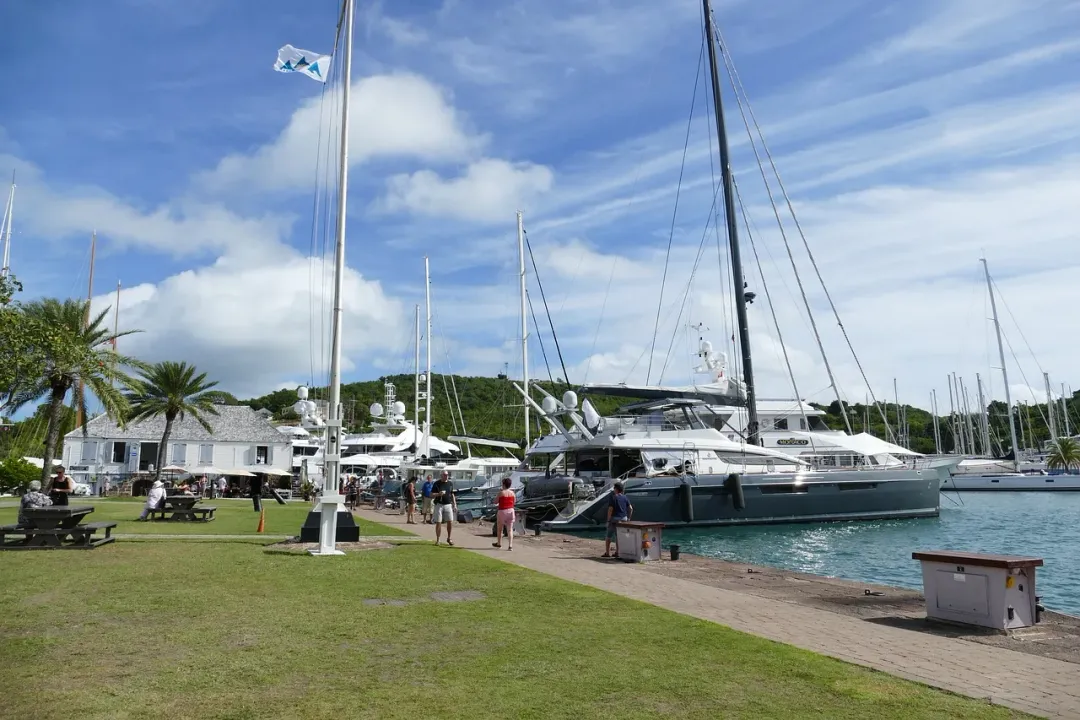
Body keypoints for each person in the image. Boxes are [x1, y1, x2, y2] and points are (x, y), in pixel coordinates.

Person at [602, 482, 633, 558]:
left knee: (608, 536)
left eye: (614, 488)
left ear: (616, 489)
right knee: (618, 536)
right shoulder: (625, 497)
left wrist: (608, 521)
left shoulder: (613, 497)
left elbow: (610, 510)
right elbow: (631, 508)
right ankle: (617, 552)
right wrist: (628, 518)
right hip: (623, 518)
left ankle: (607, 552)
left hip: (614, 519)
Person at [432, 471, 456, 546]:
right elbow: (431, 494)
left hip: (448, 504)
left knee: (450, 521)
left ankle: (449, 538)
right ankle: (438, 539)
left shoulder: (450, 483)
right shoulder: (437, 483)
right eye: (445, 475)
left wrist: (454, 504)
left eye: (447, 475)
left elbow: (452, 494)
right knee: (438, 522)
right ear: (441, 475)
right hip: (439, 504)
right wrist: (438, 494)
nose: (446, 476)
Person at [491, 477, 516, 551]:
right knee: (510, 529)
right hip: (511, 510)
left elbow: (495, 501)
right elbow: (514, 502)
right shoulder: (512, 493)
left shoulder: (501, 493)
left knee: (500, 529)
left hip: (502, 511)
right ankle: (510, 545)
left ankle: (499, 543)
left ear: (504, 484)